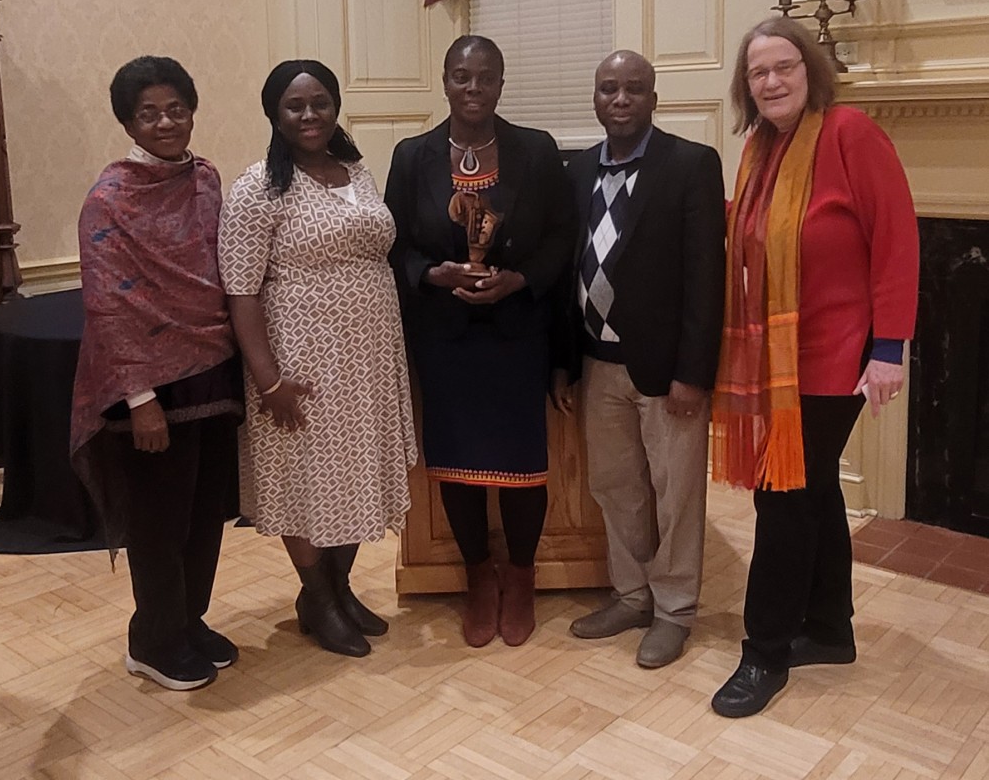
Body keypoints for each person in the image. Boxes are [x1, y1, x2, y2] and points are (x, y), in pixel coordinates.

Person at [710, 17, 919, 717]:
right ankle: (829, 629)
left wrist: (890, 348)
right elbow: (747, 228)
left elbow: (896, 237)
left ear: (811, 70)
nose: (771, 81)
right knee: (815, 487)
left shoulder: (850, 133)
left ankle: (763, 653)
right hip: (780, 358)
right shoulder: (760, 149)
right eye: (758, 72)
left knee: (785, 497)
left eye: (783, 67)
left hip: (839, 356)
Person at [217, 60, 416, 659]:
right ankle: (317, 596)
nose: (310, 115)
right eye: (295, 106)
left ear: (335, 107)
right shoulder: (259, 187)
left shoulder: (355, 170)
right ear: (275, 115)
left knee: (360, 470)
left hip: (370, 359)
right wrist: (267, 377)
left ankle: (337, 587)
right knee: (305, 478)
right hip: (300, 364)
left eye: (320, 102)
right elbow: (241, 289)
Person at [385, 35, 575, 648]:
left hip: (517, 335)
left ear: (501, 82)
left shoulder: (537, 151)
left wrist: (518, 279)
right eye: (462, 76)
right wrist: (432, 274)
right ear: (444, 80)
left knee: (523, 466)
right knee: (458, 468)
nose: (473, 88)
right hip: (446, 339)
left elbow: (560, 238)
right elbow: (395, 245)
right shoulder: (412, 156)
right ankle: (477, 579)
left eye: (485, 77)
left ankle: (519, 577)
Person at [71, 56, 244, 691]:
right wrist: (140, 399)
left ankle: (187, 620)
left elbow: (218, 269)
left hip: (211, 370)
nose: (167, 122)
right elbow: (108, 305)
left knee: (203, 510)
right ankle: (151, 639)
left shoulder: (206, 179)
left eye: (177, 108)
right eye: (150, 113)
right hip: (143, 383)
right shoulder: (108, 200)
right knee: (158, 516)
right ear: (128, 122)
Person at [552, 51, 726, 669]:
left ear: (652, 98)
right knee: (615, 487)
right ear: (595, 99)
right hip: (598, 365)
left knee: (675, 492)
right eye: (608, 89)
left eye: (633, 89)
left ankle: (674, 609)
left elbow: (708, 277)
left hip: (666, 371)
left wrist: (694, 373)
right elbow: (567, 269)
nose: (620, 99)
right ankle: (631, 595)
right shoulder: (575, 172)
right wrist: (564, 364)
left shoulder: (691, 165)